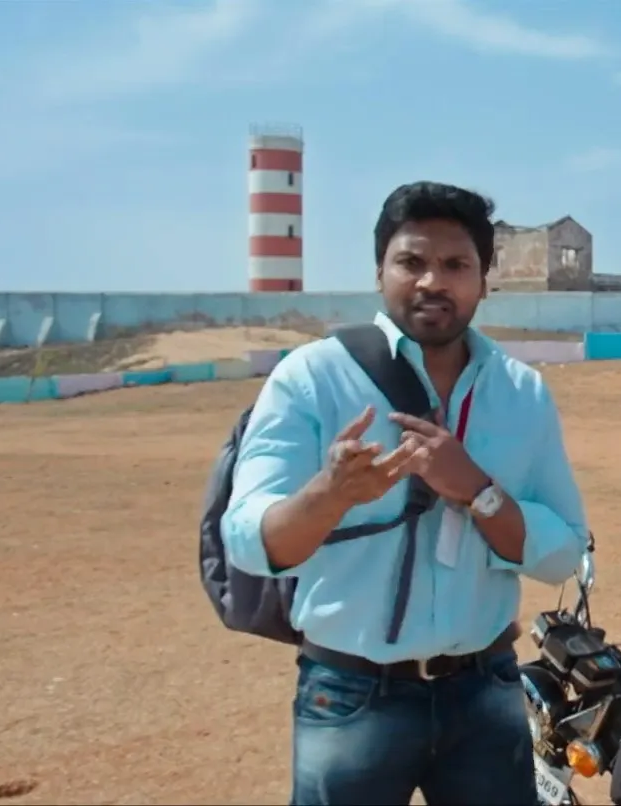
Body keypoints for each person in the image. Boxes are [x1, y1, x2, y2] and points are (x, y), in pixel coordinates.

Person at [223, 181, 591, 805]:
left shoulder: (521, 392)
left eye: (455, 265)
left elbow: (562, 555)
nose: (431, 282)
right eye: (411, 261)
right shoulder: (312, 377)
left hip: (486, 688)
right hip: (350, 693)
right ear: (379, 271)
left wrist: (478, 491)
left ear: (484, 279)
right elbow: (247, 543)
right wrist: (330, 494)